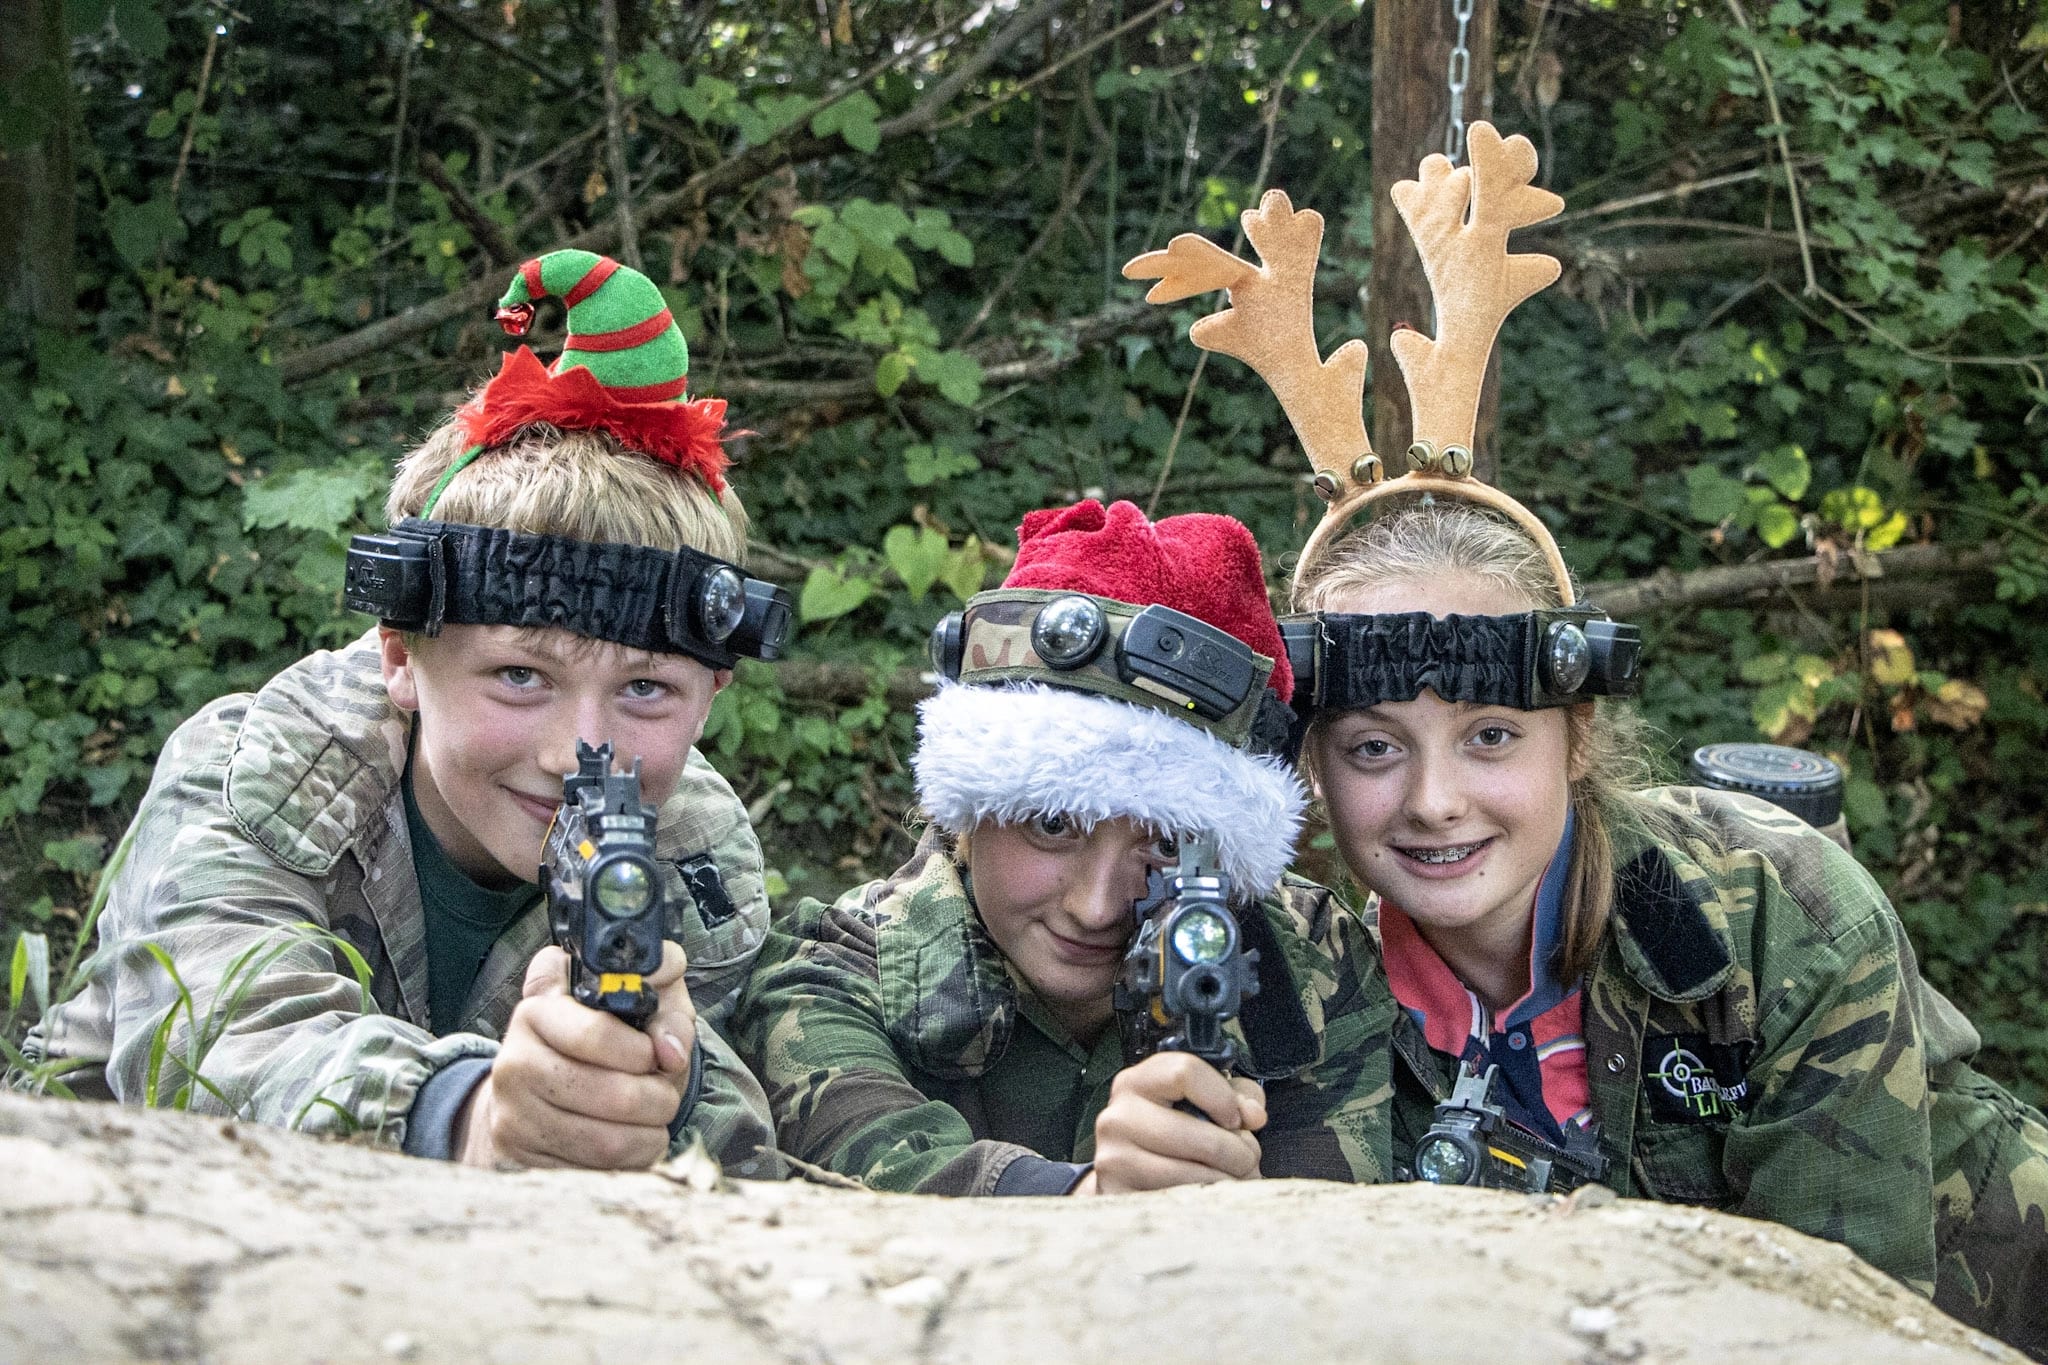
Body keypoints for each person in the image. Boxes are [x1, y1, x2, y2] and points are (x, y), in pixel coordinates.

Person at [1128, 121, 2047, 1356]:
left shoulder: (1771, 915)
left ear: (1578, 734)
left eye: (1491, 735)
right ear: (1306, 770)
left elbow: (1838, 1317)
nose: (1433, 801)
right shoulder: (1291, 989)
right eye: (1369, 749)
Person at [22, 250, 789, 1176]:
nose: (579, 752)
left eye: (645, 690)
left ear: (714, 695)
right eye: (519, 675)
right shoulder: (249, 775)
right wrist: (467, 1117)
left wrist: (659, 1081)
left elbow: (747, 1134)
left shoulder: (696, 853)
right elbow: (219, 1038)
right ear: (400, 659)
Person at [730, 498, 1395, 1195]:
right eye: (1053, 823)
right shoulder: (831, 973)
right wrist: (1087, 1198)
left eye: (1167, 843)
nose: (1096, 905)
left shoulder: (1312, 967)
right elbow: (881, 1169)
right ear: (971, 811)